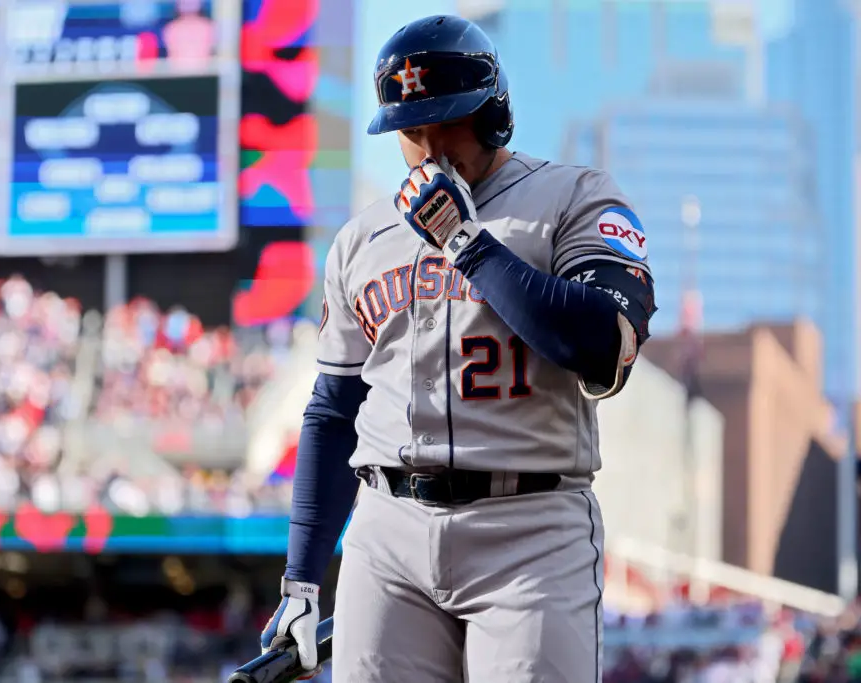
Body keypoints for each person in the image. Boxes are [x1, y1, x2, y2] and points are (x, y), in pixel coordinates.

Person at [261, 14, 657, 682]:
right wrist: (301, 577)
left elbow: (596, 343)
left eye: (447, 121)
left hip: (529, 528)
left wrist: (466, 242)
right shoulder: (362, 239)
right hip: (388, 528)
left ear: (493, 114)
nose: (430, 147)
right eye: (411, 131)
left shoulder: (571, 198)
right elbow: (334, 408)